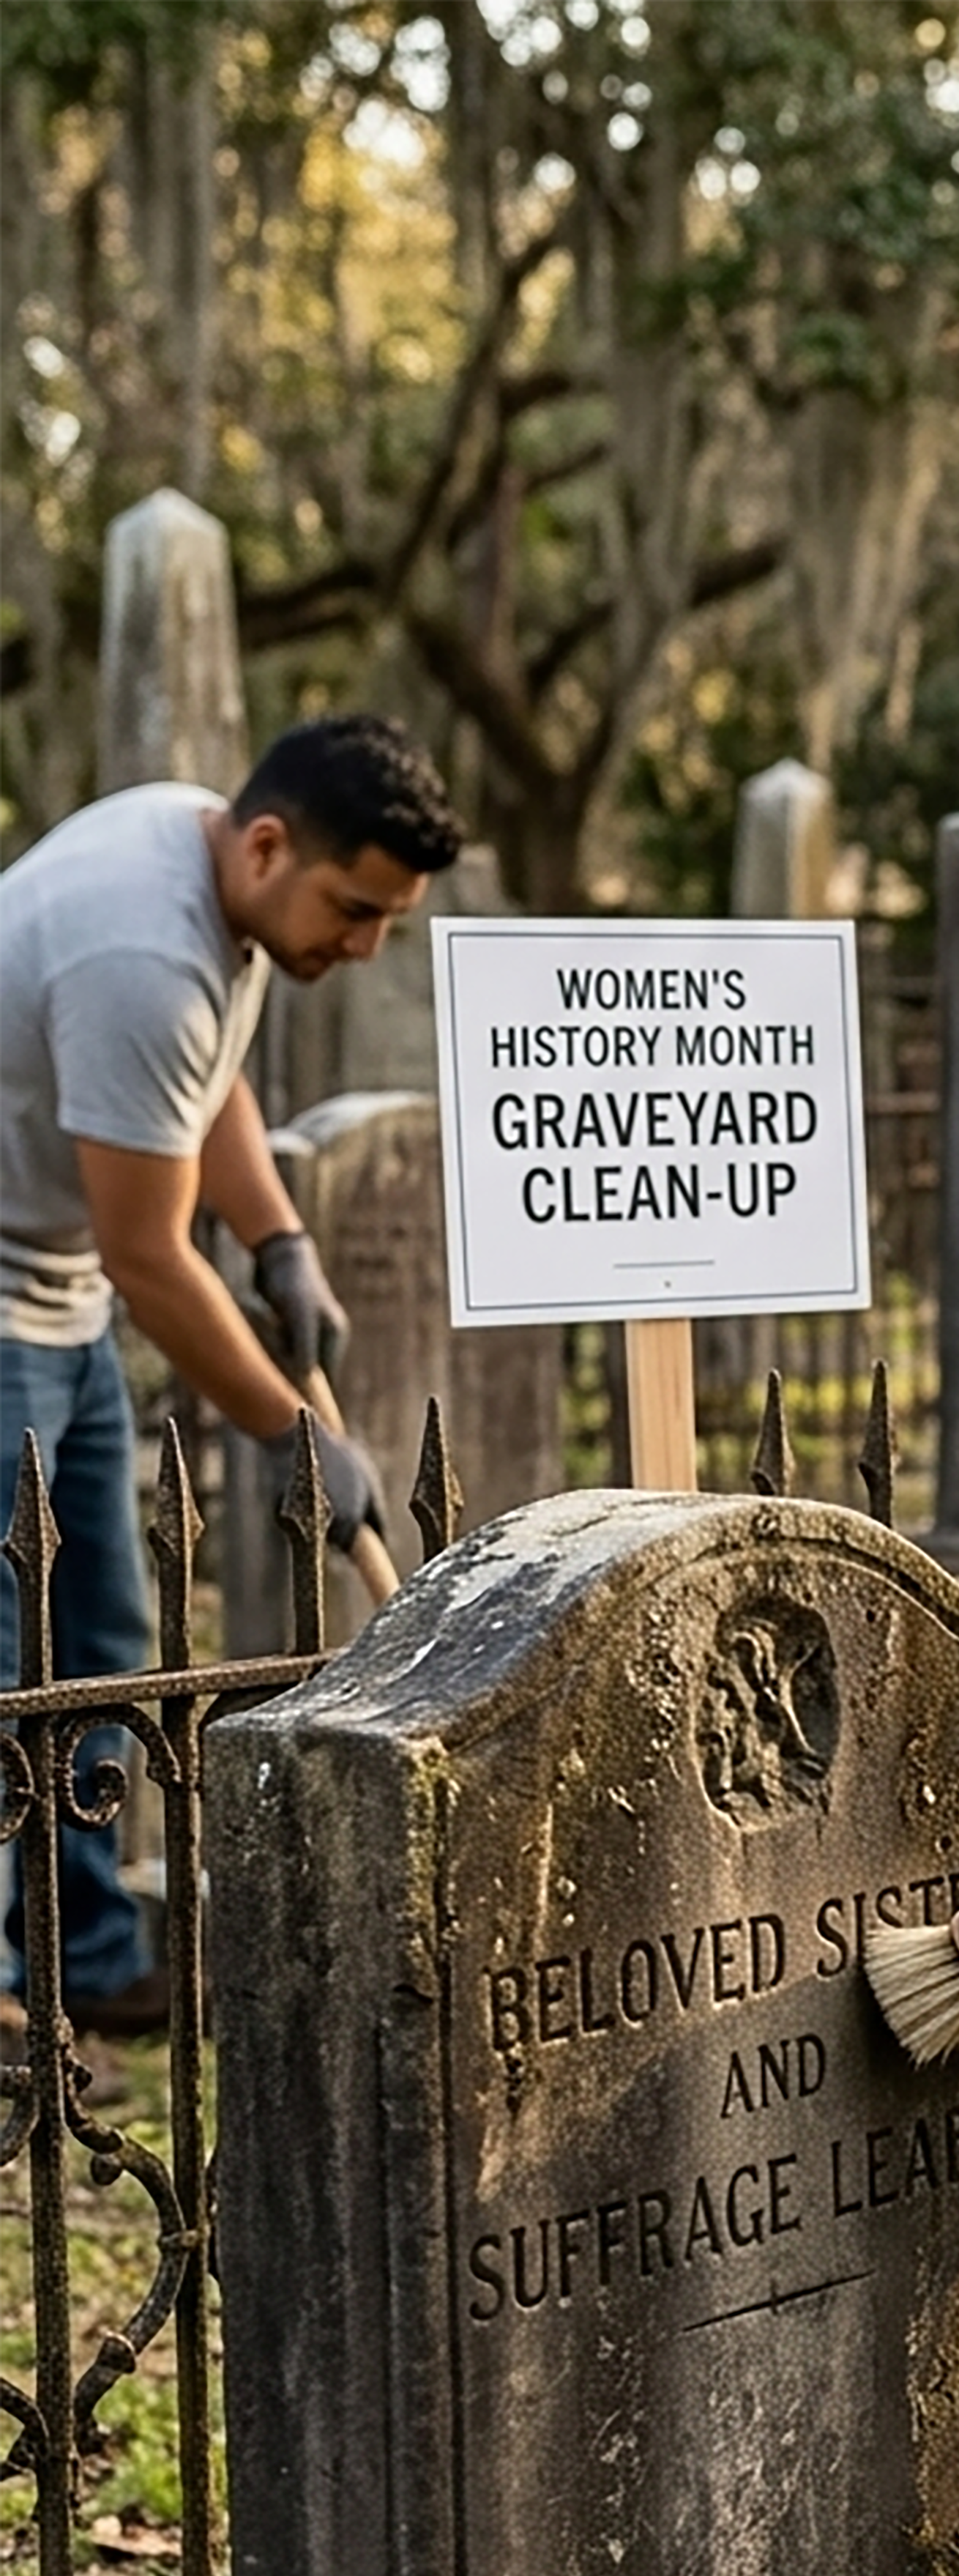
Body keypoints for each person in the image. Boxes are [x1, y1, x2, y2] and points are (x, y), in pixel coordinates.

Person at [0, 713, 462, 2030]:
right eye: (355, 909)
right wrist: (294, 1433)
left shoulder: (207, 866)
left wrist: (282, 1243)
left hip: (51, 1292)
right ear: (269, 845)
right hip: (16, 1300)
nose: (366, 945)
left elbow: (210, 1088)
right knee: (1, 1647)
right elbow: (149, 1258)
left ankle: (82, 1958)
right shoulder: (139, 946)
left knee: (97, 1644)